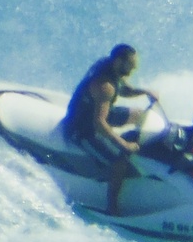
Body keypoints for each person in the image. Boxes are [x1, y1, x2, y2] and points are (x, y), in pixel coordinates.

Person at [63, 43, 151, 216]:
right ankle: (112, 207)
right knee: (120, 160)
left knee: (140, 115)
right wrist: (123, 144)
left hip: (95, 113)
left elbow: (125, 89)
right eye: (130, 66)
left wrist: (145, 92)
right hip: (82, 130)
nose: (132, 71)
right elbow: (99, 124)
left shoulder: (111, 67)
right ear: (119, 62)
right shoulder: (105, 86)